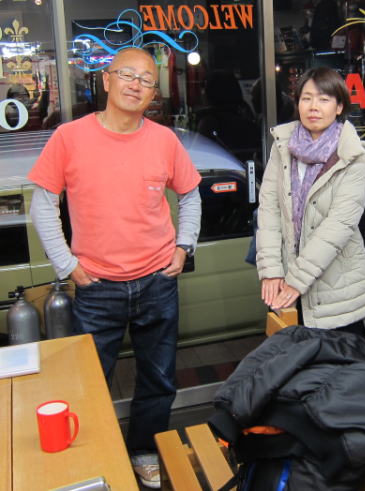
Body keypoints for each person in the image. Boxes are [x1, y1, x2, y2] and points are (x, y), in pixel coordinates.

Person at [28, 47, 201, 489]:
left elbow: (190, 194)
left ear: (154, 94)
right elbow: (43, 206)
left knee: (159, 379)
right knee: (87, 382)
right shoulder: (69, 137)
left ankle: (143, 452)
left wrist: (184, 247)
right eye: (127, 75)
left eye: (146, 80)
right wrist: (67, 265)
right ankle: (92, 461)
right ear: (106, 80)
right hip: (96, 286)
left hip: (157, 282)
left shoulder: (164, 140)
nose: (135, 85)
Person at [256, 66, 365, 333]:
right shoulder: (283, 147)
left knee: (337, 359)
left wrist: (295, 280)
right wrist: (271, 270)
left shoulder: (353, 156)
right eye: (306, 98)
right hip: (287, 285)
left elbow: (339, 226)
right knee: (291, 356)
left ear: (339, 107)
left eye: (324, 99)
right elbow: (269, 210)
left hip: (337, 290)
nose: (314, 107)